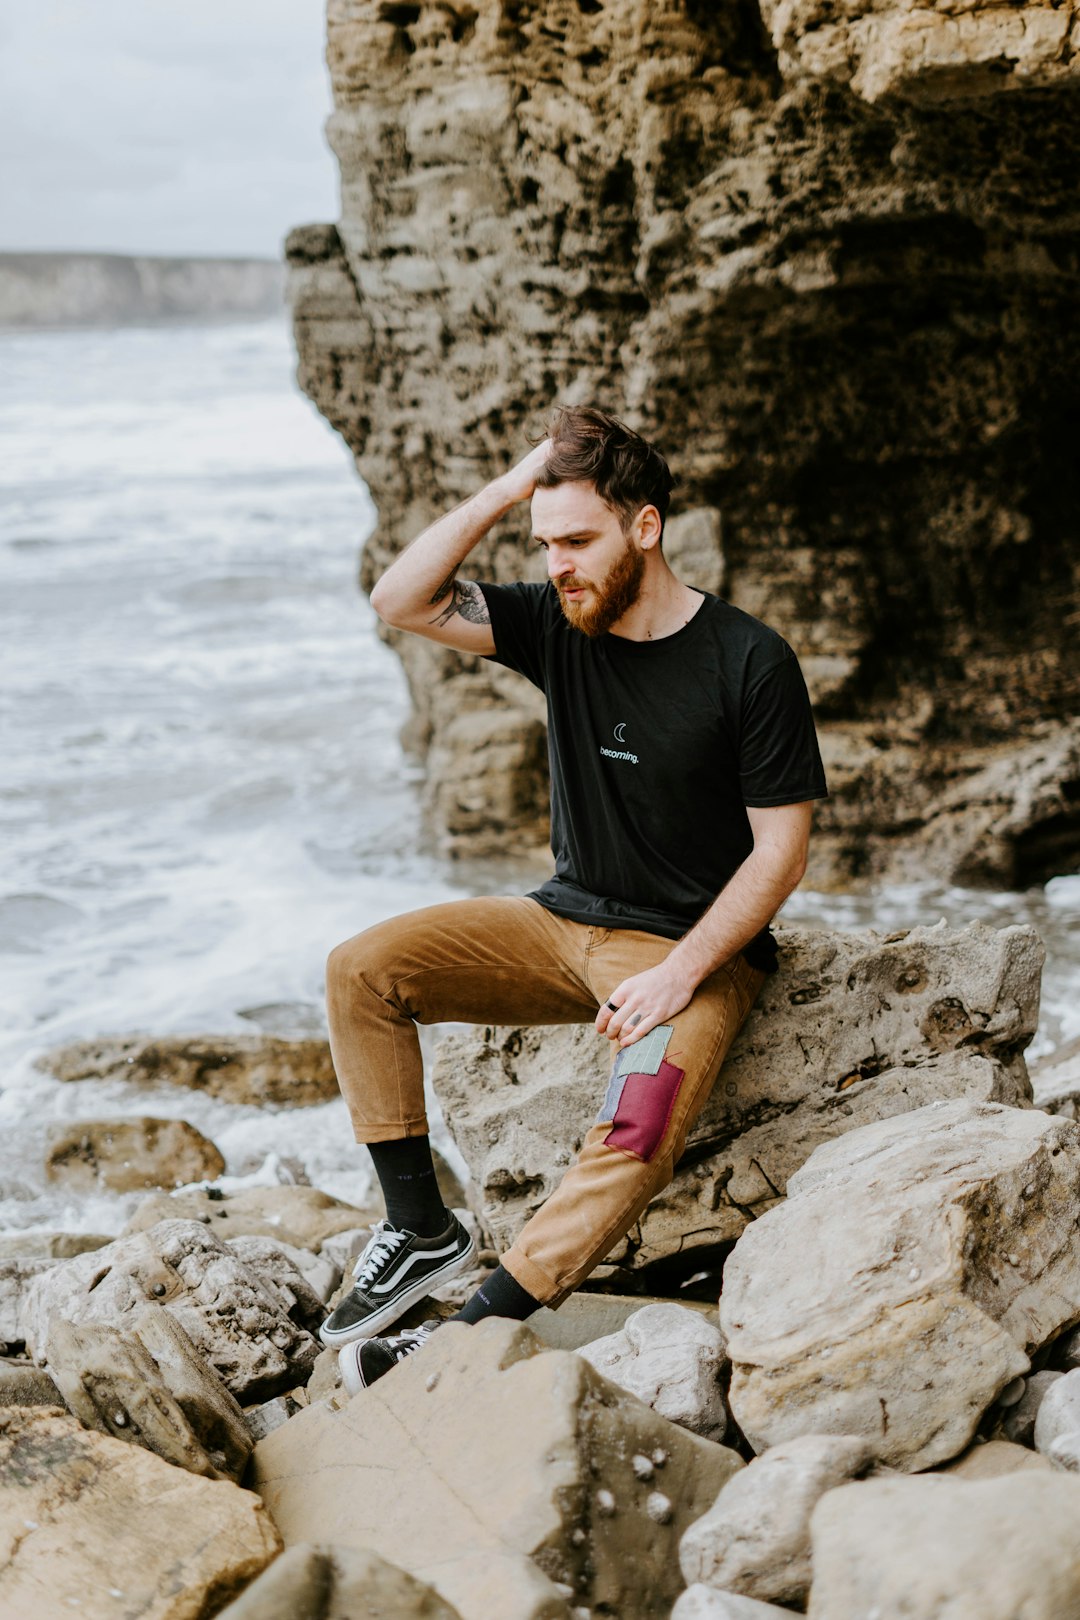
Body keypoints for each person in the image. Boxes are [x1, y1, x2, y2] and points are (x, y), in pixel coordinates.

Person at [321, 406, 828, 1392]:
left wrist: (681, 974)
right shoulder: (557, 623)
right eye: (544, 543)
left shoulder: (749, 660)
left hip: (689, 952)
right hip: (557, 924)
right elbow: (401, 596)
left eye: (578, 539)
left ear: (645, 527)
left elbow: (782, 855)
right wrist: (513, 489)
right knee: (362, 969)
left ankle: (463, 1336)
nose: (557, 563)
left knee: (636, 1129)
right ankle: (420, 1226)